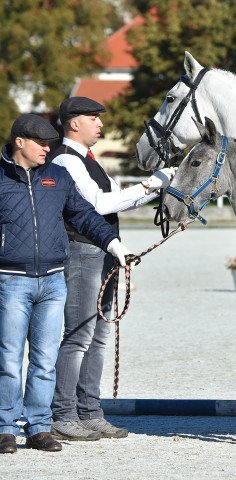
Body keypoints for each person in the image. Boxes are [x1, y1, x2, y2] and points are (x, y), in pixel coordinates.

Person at [0, 114, 132, 454]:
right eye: (41, 142)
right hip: (11, 282)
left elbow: (84, 215)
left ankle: (40, 427)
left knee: (44, 359)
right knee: (10, 359)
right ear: (19, 142)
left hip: (53, 282)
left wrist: (113, 244)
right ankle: (5, 427)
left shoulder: (56, 176)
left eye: (50, 141)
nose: (48, 148)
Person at [50, 97, 175, 441]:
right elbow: (99, 204)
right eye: (94, 118)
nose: (100, 124)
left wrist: (157, 188)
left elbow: (120, 196)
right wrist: (151, 184)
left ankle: (89, 411)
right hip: (81, 252)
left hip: (103, 253)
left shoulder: (92, 161)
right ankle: (63, 413)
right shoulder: (64, 160)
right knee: (79, 335)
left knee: (100, 336)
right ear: (73, 123)